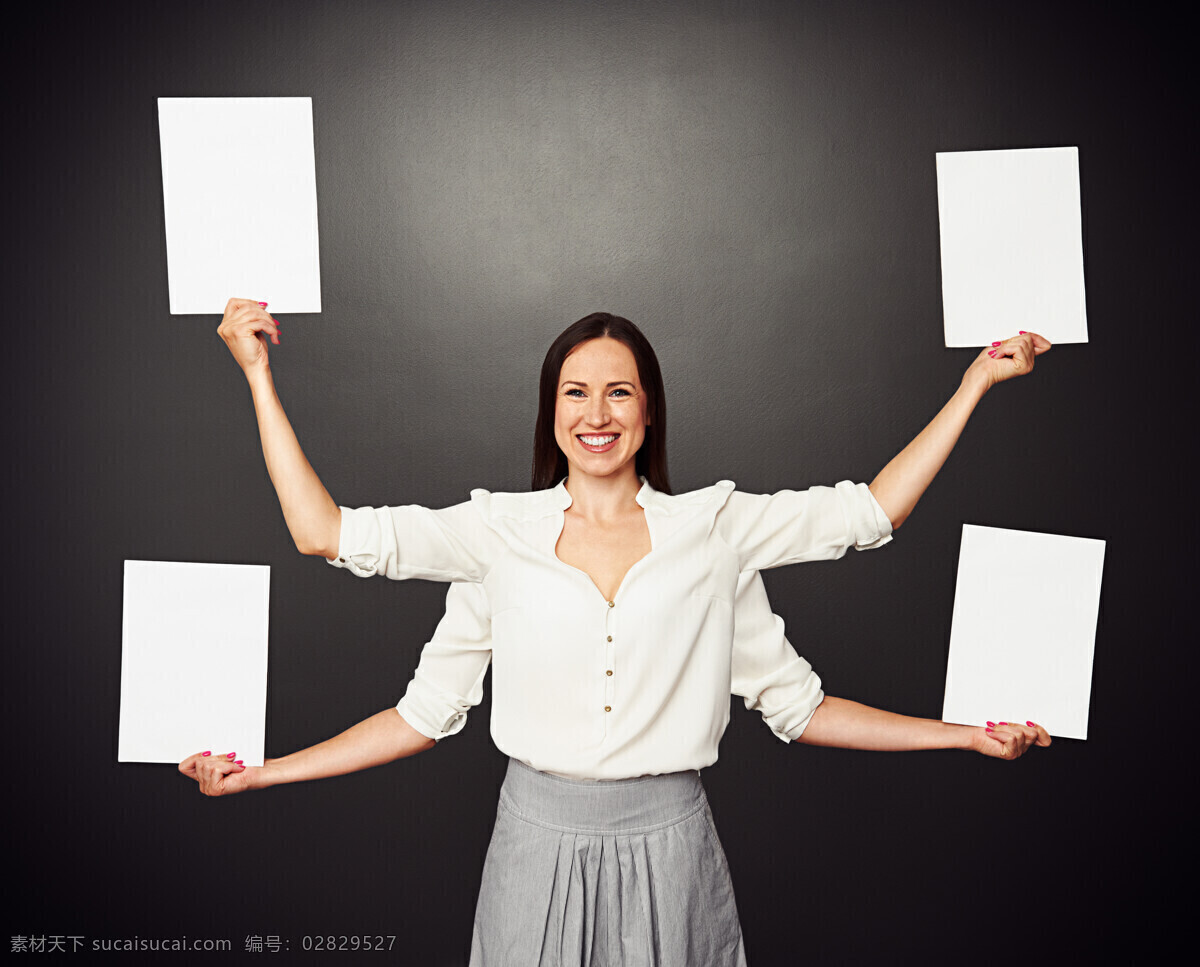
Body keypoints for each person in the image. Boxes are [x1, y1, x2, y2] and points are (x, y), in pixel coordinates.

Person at [182, 304, 1052, 965]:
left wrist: (975, 381)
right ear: (551, 410)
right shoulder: (497, 535)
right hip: (532, 854)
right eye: (575, 391)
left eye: (619, 390)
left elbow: (864, 534)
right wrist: (261, 775)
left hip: (673, 857)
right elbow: (325, 538)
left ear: (647, 410)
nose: (596, 412)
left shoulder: (715, 532)